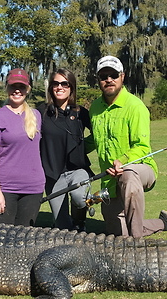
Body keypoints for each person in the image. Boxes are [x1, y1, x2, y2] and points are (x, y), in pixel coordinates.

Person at [89, 56, 167, 238]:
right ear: (98, 80)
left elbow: (142, 146)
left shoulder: (135, 106)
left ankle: (136, 244)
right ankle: (163, 223)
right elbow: (94, 139)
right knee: (118, 233)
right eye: (103, 76)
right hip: (110, 180)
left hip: (140, 170)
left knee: (129, 176)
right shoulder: (95, 108)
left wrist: (121, 161)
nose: (108, 80)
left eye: (113, 75)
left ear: (122, 76)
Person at [0, 68, 45, 226]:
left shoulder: (36, 115)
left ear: (27, 89)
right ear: (7, 88)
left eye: (22, 87)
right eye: (13, 86)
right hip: (6, 188)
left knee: (25, 239)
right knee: (0, 239)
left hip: (33, 188)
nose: (17, 90)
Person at [38, 68, 94, 231]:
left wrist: (83, 149)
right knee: (63, 228)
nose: (59, 87)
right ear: (50, 87)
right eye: (55, 83)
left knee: (80, 198)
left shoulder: (81, 113)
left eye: (64, 84)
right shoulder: (41, 112)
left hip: (77, 171)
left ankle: (80, 221)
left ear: (71, 87)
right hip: (52, 175)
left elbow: (99, 136)